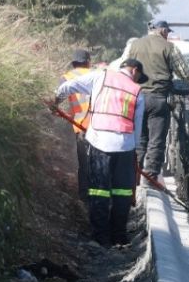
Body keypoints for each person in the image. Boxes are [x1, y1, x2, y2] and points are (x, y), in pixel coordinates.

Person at [49, 59, 146, 247]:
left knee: (99, 190)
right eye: (139, 76)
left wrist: (55, 100)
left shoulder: (101, 76)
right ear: (134, 70)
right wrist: (134, 152)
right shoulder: (137, 91)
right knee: (123, 192)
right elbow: (138, 127)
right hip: (125, 145)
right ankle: (119, 235)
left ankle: (100, 237)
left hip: (99, 141)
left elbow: (70, 86)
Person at [125, 20, 189, 181]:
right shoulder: (169, 47)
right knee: (156, 140)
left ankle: (134, 176)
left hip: (137, 98)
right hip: (158, 99)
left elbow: (126, 68)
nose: (167, 35)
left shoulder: (135, 45)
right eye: (167, 32)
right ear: (162, 31)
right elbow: (184, 72)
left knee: (139, 140)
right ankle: (150, 176)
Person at [62, 49, 93, 203]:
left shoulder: (67, 77)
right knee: (100, 161)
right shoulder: (99, 74)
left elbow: (58, 97)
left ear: (73, 63)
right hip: (100, 125)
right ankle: (100, 194)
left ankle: (84, 195)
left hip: (80, 126)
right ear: (89, 61)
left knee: (84, 163)